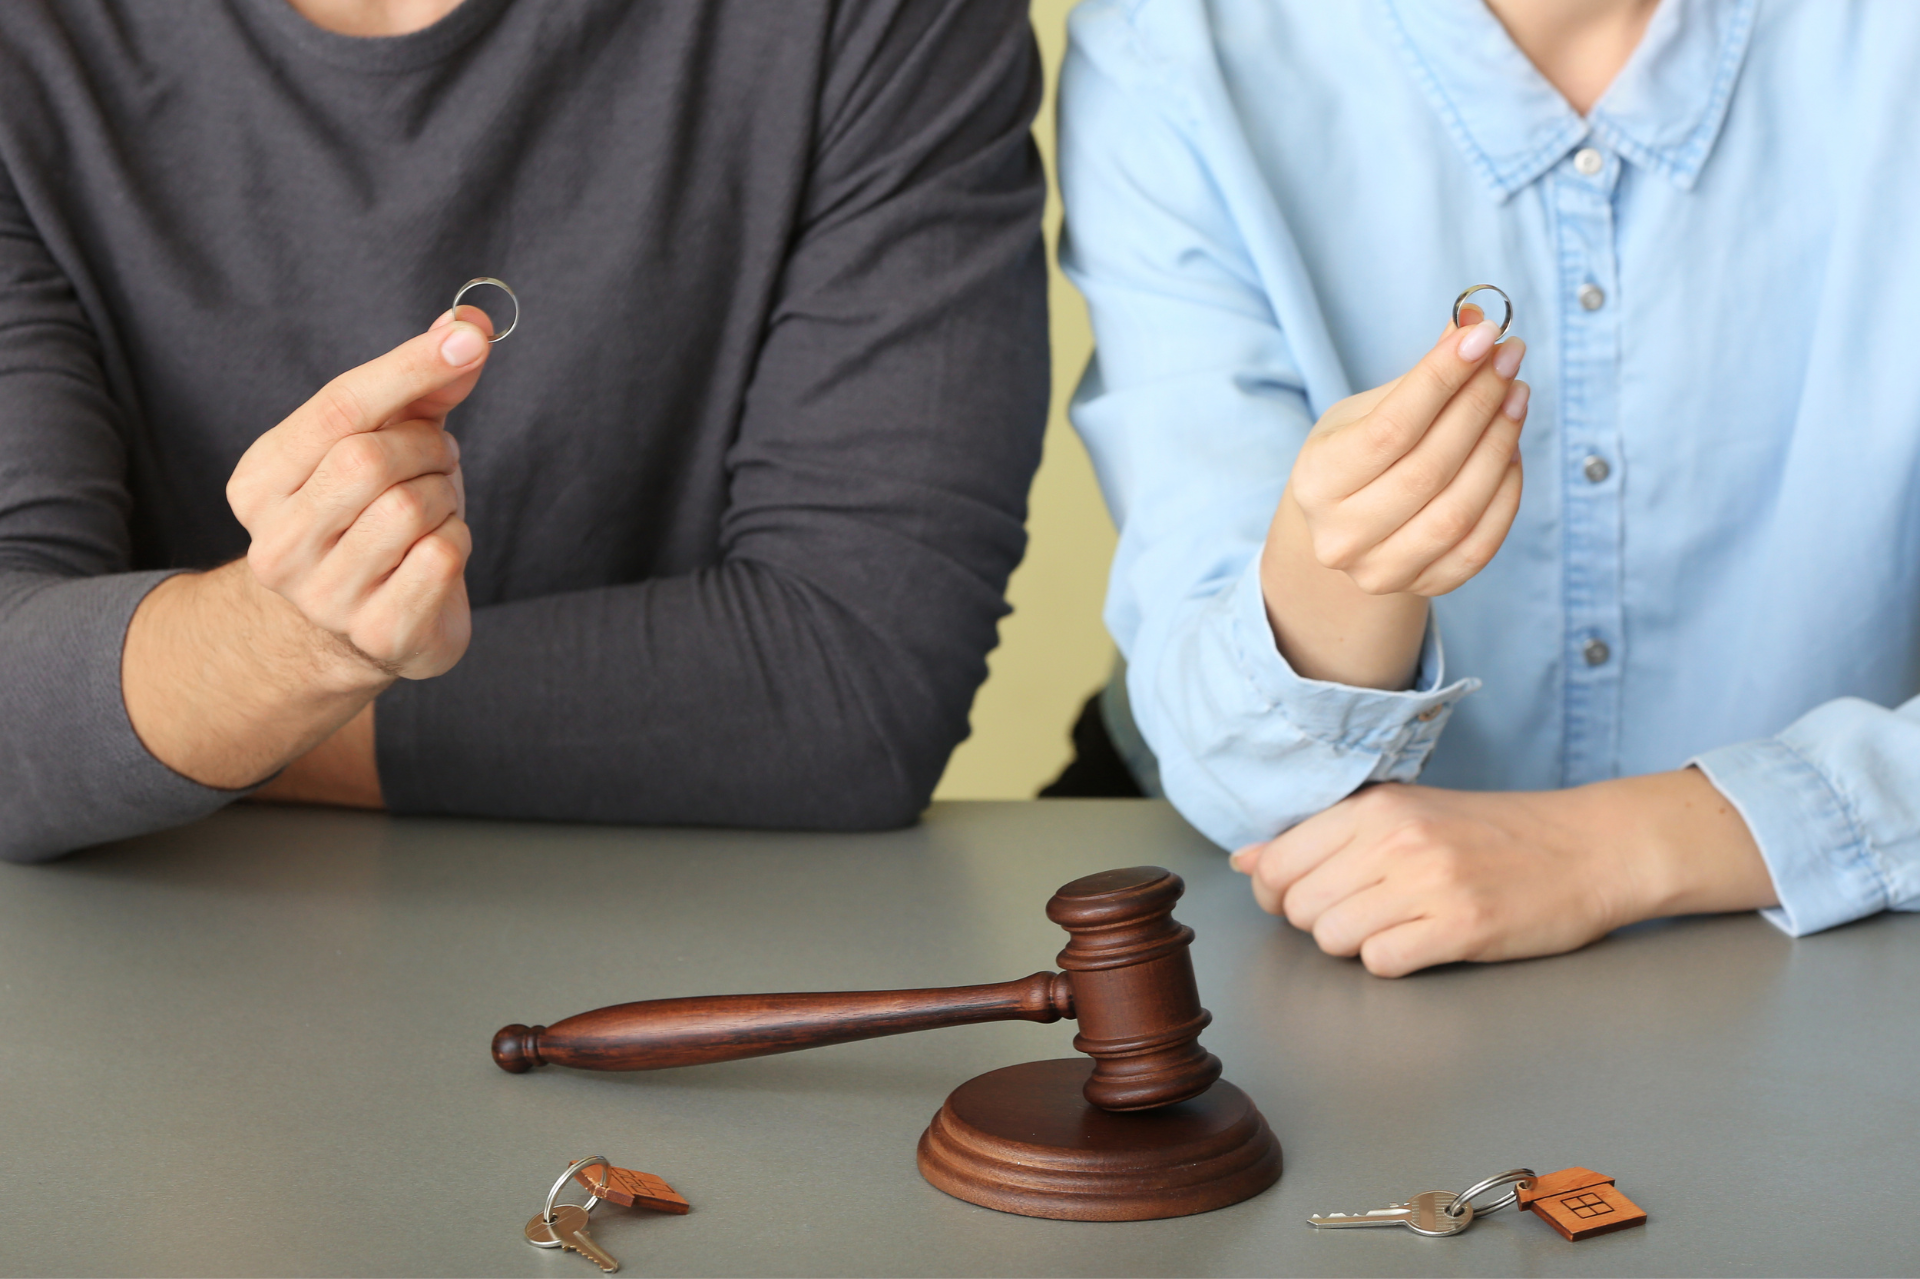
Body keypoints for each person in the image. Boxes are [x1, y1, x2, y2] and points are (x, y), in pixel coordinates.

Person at [0, 0, 1048, 862]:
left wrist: (189, 706)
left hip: (684, 960)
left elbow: (853, 682)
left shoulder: (882, 26)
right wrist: (289, 645)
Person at [1057, 0, 1920, 976]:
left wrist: (1624, 846)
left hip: (1830, 960)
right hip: (1278, 945)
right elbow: (1244, 777)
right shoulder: (1171, 46)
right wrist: (1346, 561)